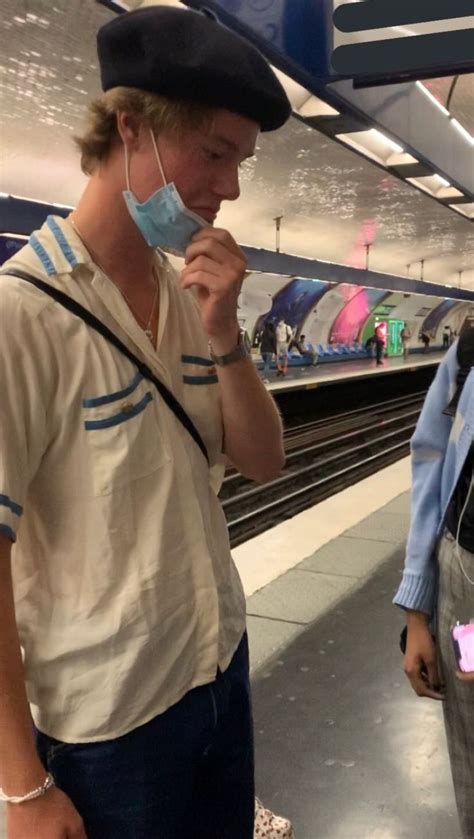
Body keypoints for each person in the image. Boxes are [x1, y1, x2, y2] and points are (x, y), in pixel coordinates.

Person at [0, 7, 292, 839]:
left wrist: (228, 334)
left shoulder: (185, 291)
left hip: (218, 672)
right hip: (112, 733)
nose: (231, 187)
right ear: (131, 130)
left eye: (241, 160)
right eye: (215, 153)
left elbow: (265, 461)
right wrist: (21, 786)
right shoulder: (20, 318)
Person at [394, 337, 474, 838]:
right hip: (462, 582)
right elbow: (433, 457)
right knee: (470, 761)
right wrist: (417, 611)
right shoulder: (470, 347)